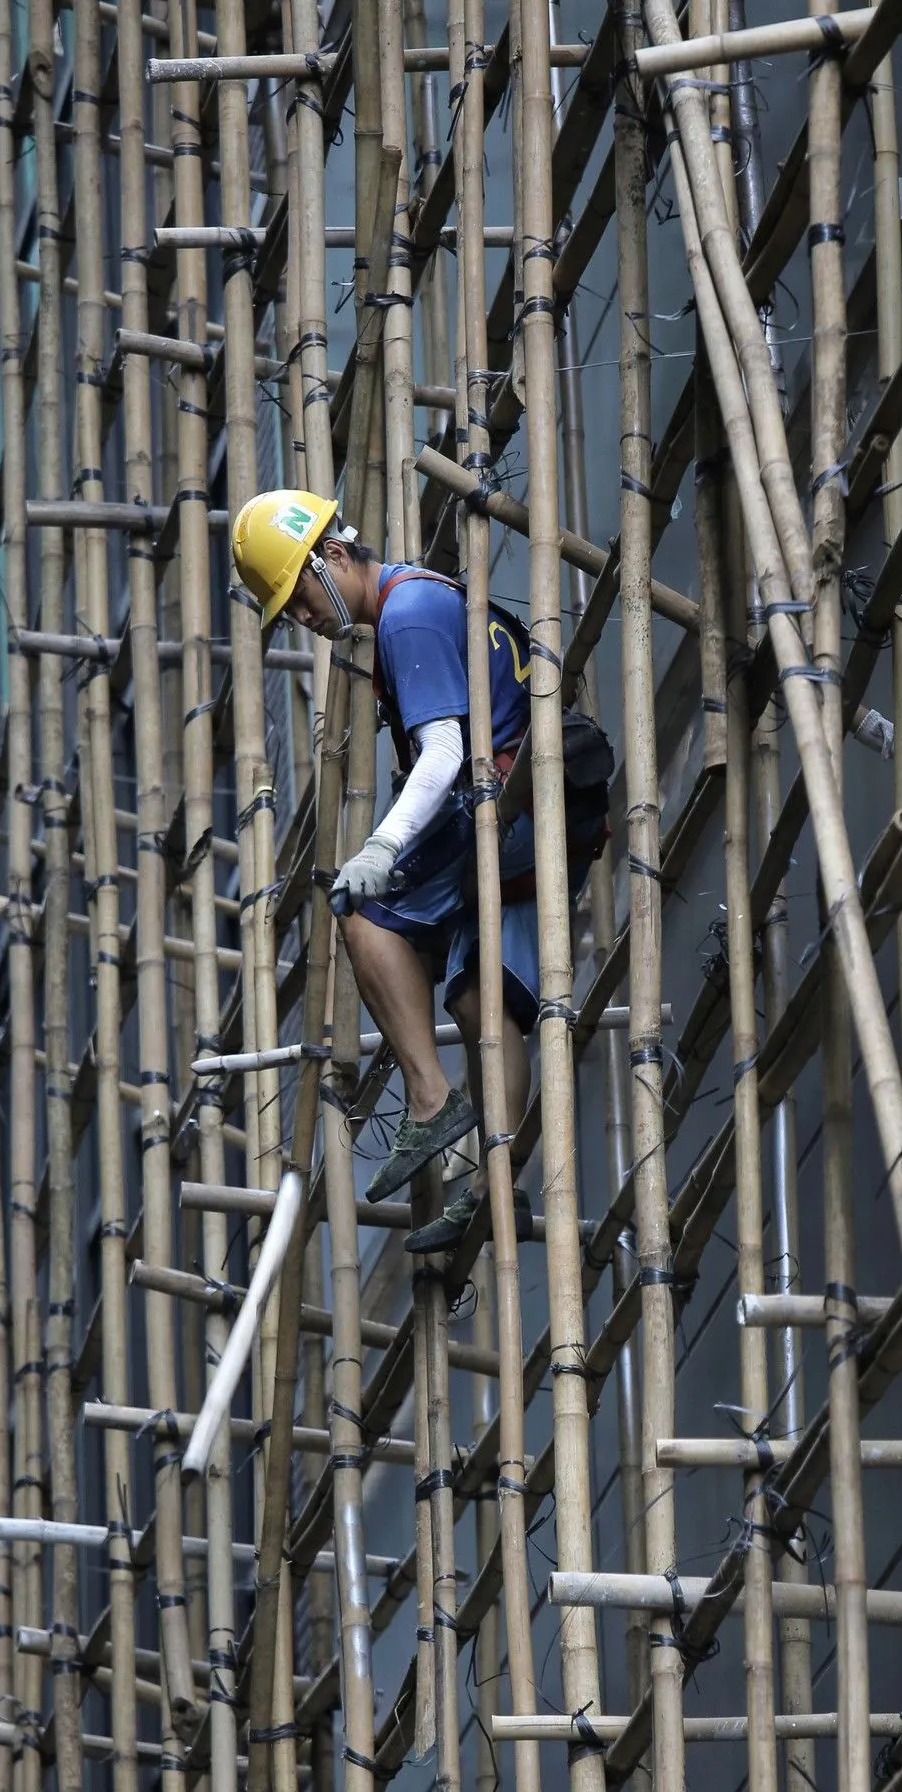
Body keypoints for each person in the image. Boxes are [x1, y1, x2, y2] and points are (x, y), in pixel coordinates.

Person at [230, 487, 610, 1252]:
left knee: (360, 912)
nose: (303, 619)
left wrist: (382, 848)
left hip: (506, 806)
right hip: (547, 805)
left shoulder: (406, 614)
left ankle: (432, 1101)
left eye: (297, 596)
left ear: (332, 556)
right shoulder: (427, 602)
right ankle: (496, 1184)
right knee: (481, 1005)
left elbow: (442, 754)